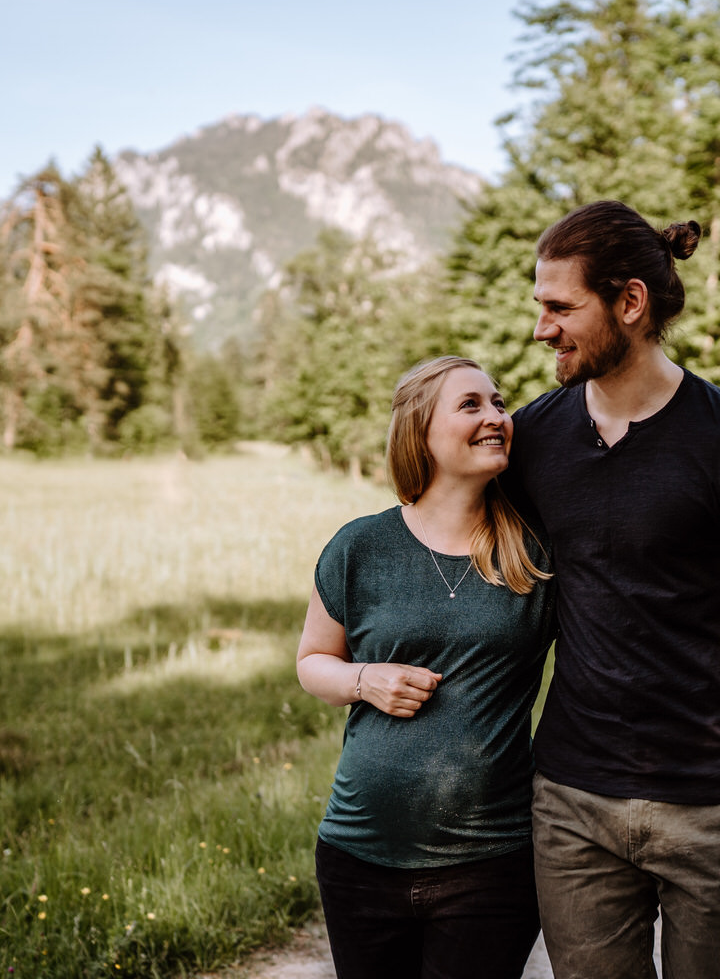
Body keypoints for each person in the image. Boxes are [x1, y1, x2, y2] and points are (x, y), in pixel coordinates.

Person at [507, 200, 720, 979]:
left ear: (630, 302)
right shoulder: (532, 439)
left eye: (560, 307)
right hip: (573, 802)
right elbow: (463, 551)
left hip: (714, 806)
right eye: (541, 306)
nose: (541, 329)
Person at [294, 355, 555, 979]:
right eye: (471, 405)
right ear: (421, 432)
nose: (496, 416)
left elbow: (628, 633)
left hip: (490, 866)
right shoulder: (360, 546)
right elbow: (312, 661)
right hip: (358, 855)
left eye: (498, 402)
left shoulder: (536, 552)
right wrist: (365, 680)